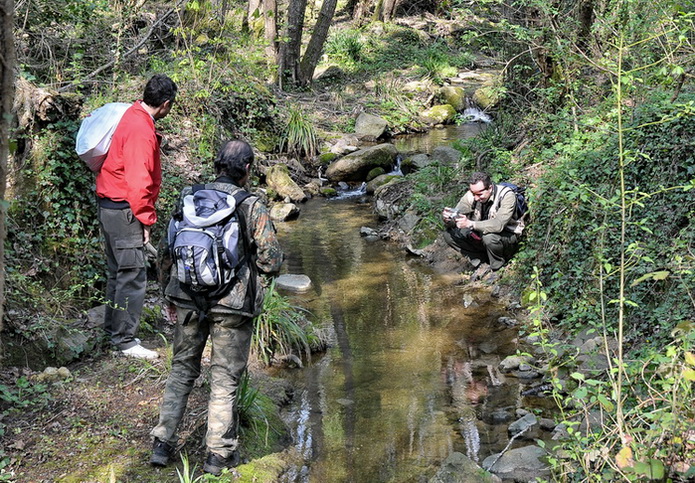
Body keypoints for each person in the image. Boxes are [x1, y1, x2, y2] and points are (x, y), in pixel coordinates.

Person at [150, 140, 284, 476]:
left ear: (217, 165)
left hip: (186, 298)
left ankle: (162, 443)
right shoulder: (252, 204)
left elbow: (166, 250)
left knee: (182, 370)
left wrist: (167, 293)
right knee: (223, 379)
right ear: (248, 169)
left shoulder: (189, 196)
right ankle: (218, 455)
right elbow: (270, 259)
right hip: (232, 306)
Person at [96, 74, 178, 359]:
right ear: (165, 105)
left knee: (117, 273)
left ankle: (113, 333)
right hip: (124, 210)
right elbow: (138, 181)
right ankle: (125, 342)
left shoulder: (131, 114)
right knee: (132, 275)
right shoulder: (141, 130)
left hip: (110, 206)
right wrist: (146, 220)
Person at [442, 172, 524, 275]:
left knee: (489, 237)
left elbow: (498, 225)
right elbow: (457, 215)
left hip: (506, 238)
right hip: (482, 235)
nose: (476, 198)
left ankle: (497, 268)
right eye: (473, 193)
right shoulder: (471, 195)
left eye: (479, 194)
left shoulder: (507, 196)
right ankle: (481, 263)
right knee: (449, 234)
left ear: (490, 188)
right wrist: (449, 219)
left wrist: (470, 224)